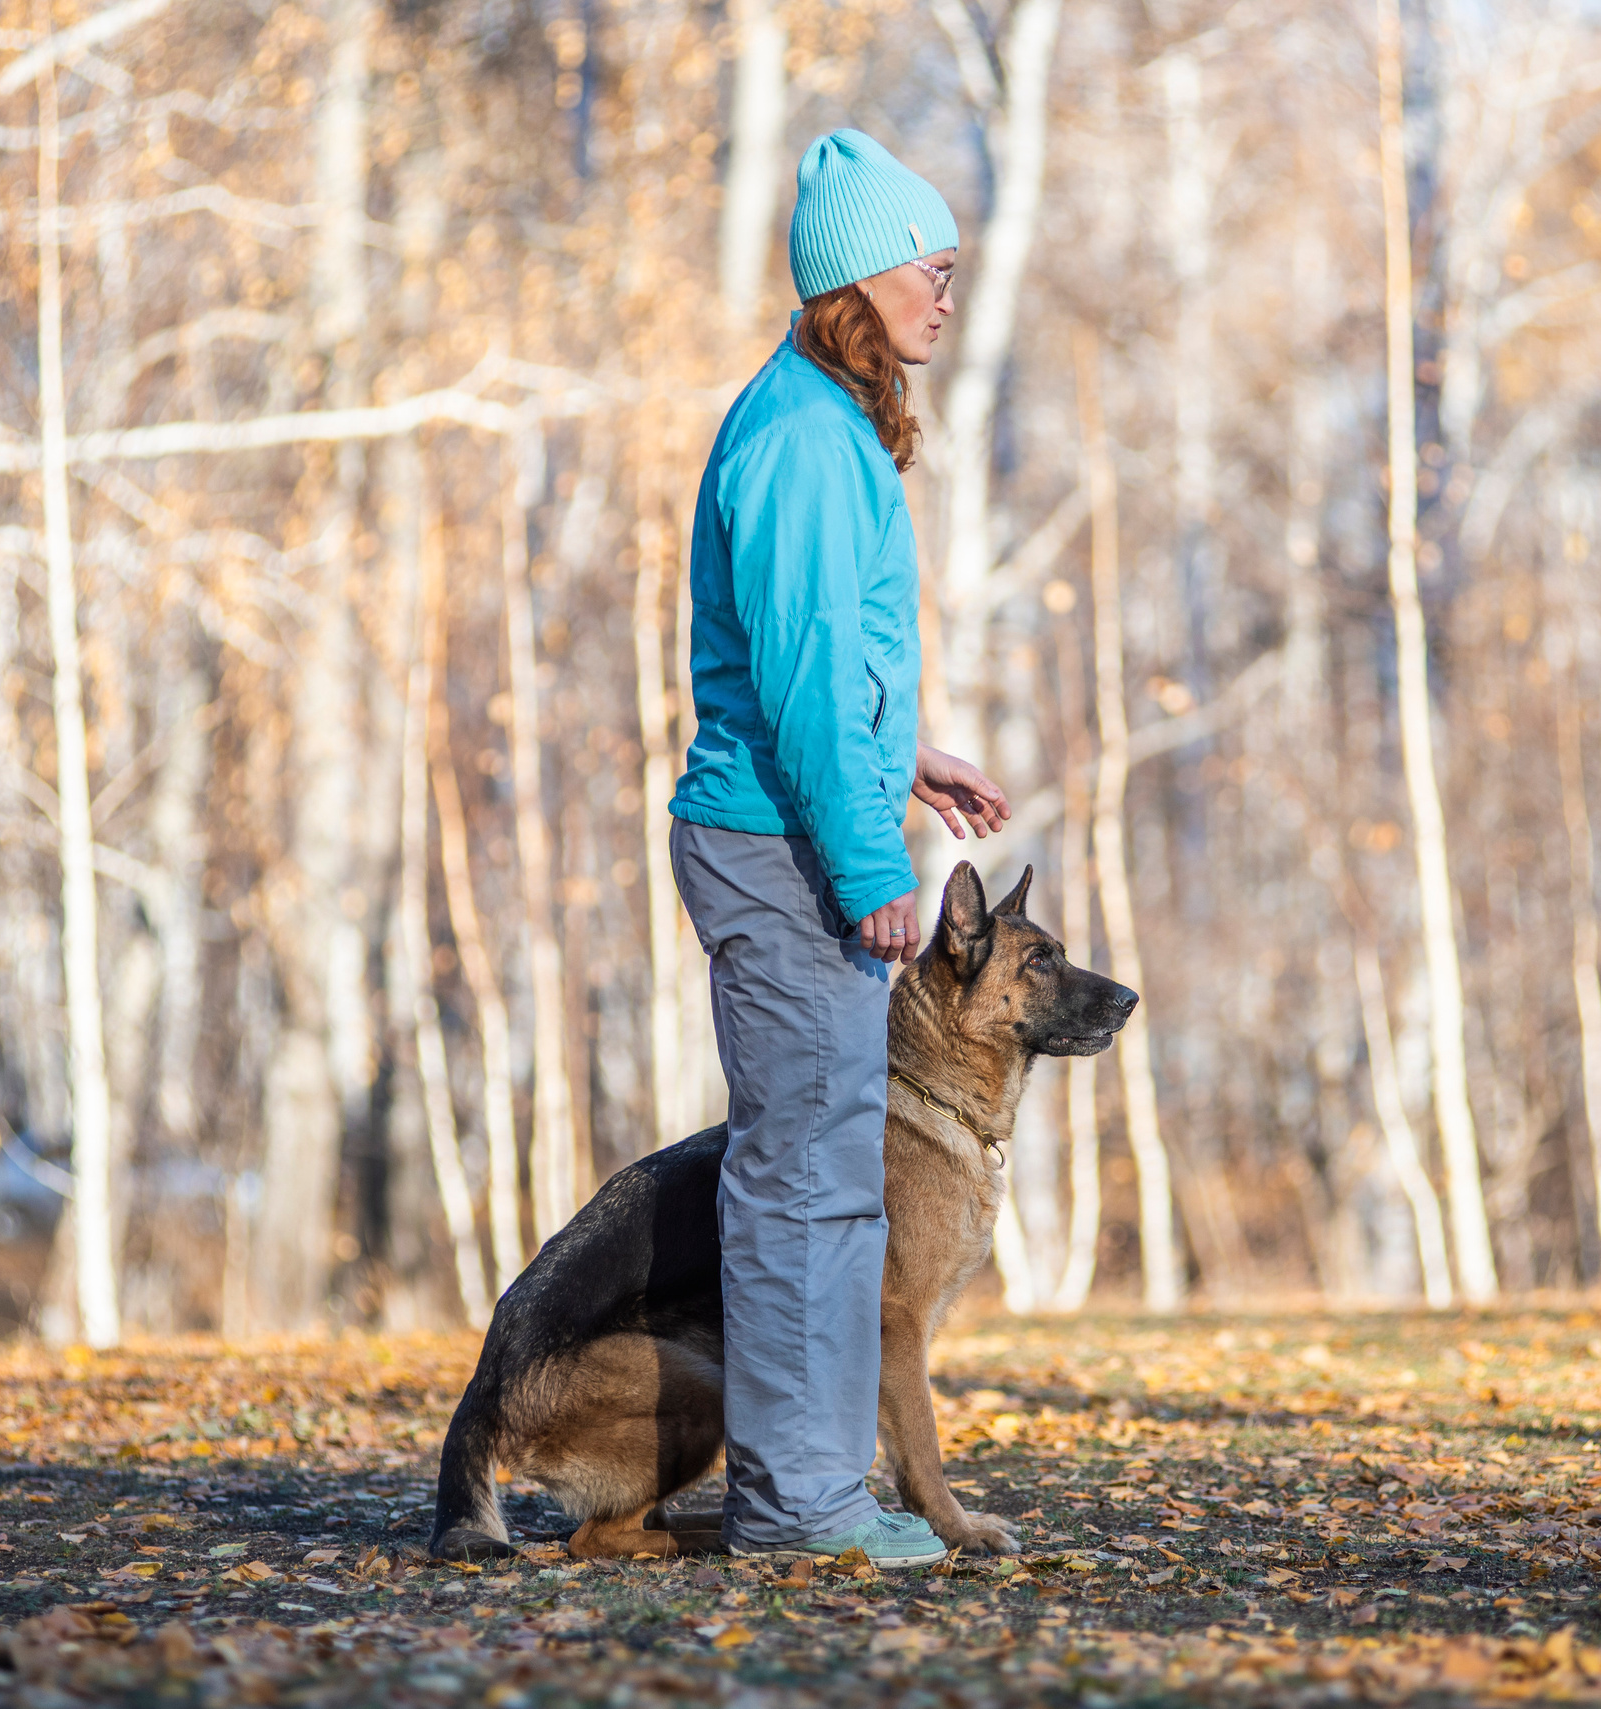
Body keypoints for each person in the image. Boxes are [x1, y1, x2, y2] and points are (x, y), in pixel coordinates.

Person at [668, 128, 1009, 1569]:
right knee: (807, 1184)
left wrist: (904, 754)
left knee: (825, 1179)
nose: (947, 295)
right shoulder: (805, 438)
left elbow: (820, 665)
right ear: (862, 279)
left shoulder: (817, 419)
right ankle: (800, 1507)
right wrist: (873, 866)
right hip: (781, 848)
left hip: (792, 820)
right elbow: (805, 676)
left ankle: (813, 1491)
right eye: (934, 268)